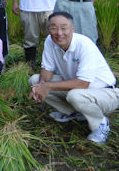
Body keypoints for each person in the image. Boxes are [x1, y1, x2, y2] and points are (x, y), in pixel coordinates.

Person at [29, 12, 118, 144]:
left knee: (75, 95)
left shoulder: (84, 45)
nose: (59, 33)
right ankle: (74, 112)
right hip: (79, 90)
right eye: (54, 28)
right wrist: (41, 86)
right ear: (49, 29)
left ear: (72, 29)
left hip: (107, 93)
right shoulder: (50, 41)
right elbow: (47, 69)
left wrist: (48, 87)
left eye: (64, 28)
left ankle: (100, 124)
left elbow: (83, 84)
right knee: (35, 81)